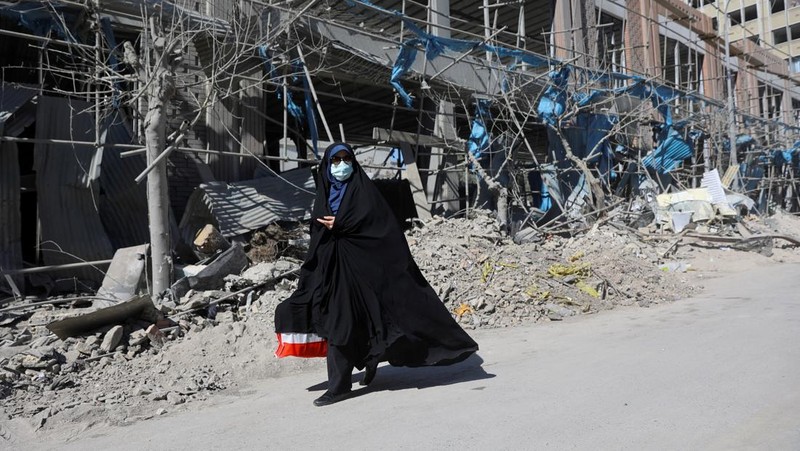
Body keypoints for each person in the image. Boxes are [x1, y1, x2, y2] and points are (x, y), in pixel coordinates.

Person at [274, 142, 479, 407]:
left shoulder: (365, 193)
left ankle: (357, 371)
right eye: (335, 161)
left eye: (347, 159)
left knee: (375, 324)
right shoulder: (323, 197)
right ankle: (341, 384)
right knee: (340, 325)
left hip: (368, 274)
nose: (341, 165)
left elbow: (384, 229)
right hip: (336, 275)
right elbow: (317, 240)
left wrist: (344, 224)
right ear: (327, 165)